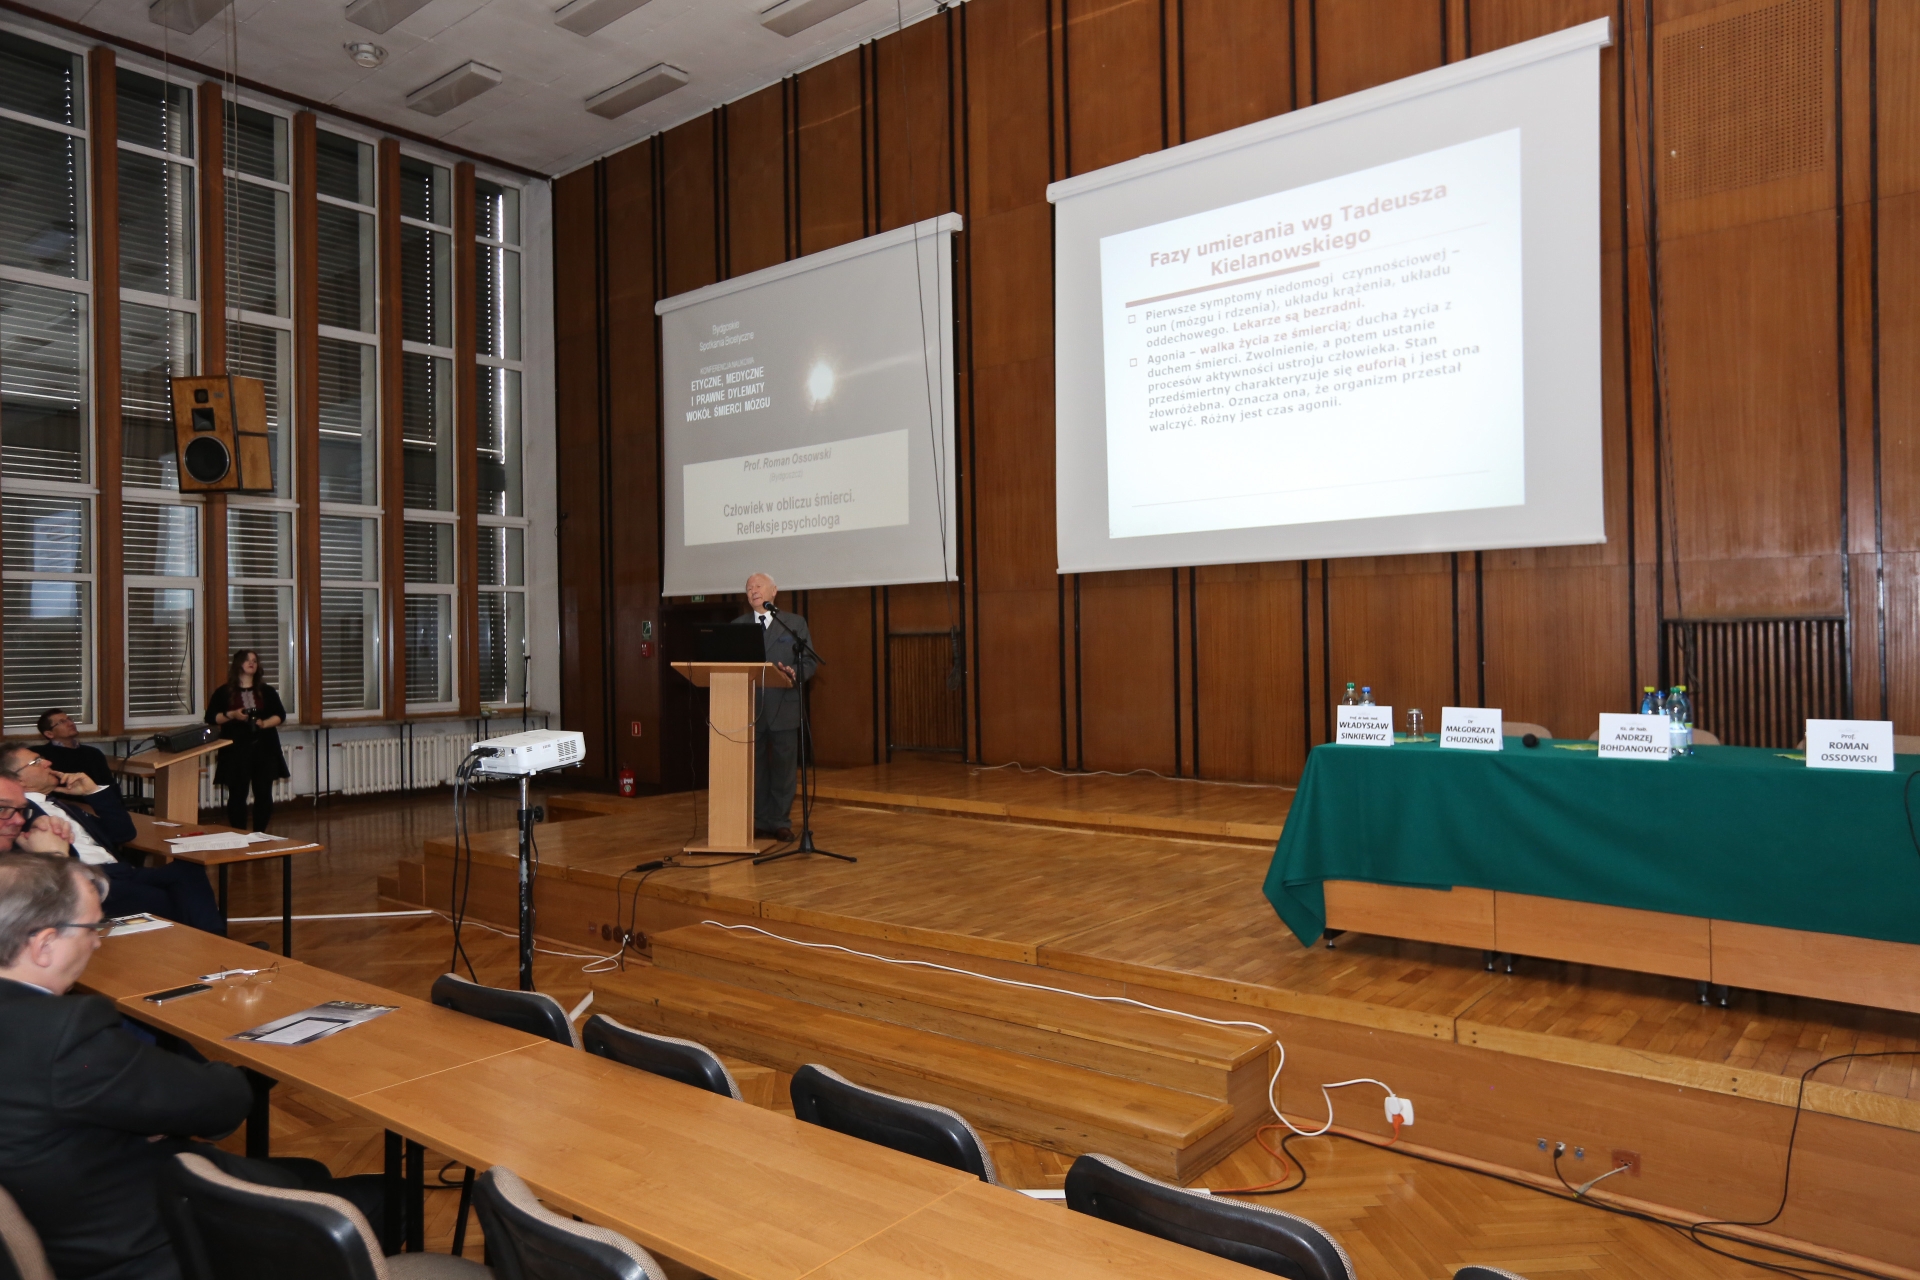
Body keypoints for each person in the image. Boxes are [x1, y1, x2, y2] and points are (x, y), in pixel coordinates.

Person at [0, 852, 384, 1280]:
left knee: (308, 1172)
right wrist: (228, 1074)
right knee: (384, 1196)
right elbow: (218, 1105)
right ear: (44, 945)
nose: (98, 942)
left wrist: (137, 1108)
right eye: (92, 928)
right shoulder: (62, 1033)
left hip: (64, 1221)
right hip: (148, 1247)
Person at [0, 762, 224, 936]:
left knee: (188, 869)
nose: (48, 762)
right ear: (17, 777)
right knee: (169, 899)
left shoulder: (63, 805)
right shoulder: (22, 816)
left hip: (119, 870)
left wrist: (94, 792)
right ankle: (206, 946)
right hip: (89, 876)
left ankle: (216, 940)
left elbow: (123, 833)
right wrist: (57, 856)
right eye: (36, 762)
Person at [736, 573, 817, 841]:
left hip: (784, 706)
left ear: (774, 591)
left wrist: (794, 672)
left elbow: (809, 662)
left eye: (758, 586)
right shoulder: (738, 626)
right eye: (749, 588)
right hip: (751, 708)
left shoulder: (793, 624)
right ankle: (760, 821)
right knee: (756, 770)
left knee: (784, 770)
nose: (753, 590)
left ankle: (780, 821)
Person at [204, 650, 289, 832]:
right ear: (238, 664)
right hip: (235, 749)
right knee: (237, 793)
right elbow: (211, 717)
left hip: (264, 748)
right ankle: (239, 832)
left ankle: (259, 833)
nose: (252, 663)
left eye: (255, 661)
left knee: (263, 793)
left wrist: (264, 723)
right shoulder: (224, 692)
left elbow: (280, 715)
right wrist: (232, 715)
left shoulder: (267, 691)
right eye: (247, 660)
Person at [38, 709, 117, 789]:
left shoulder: (93, 753)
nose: (71, 723)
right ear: (49, 734)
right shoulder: (42, 756)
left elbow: (109, 785)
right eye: (62, 722)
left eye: (69, 719)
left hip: (96, 794)